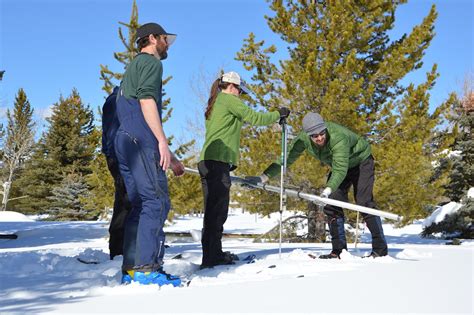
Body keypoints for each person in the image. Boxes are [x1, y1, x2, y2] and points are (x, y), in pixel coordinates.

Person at [250, 112, 388, 259]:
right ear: (307, 135)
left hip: (361, 162)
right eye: (315, 136)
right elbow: (286, 159)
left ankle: (380, 250)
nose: (320, 138)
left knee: (363, 201)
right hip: (340, 167)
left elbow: (340, 169)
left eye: (322, 133)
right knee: (331, 204)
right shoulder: (302, 140)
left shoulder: (337, 136)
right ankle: (339, 251)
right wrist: (263, 177)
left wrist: (327, 190)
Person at [114, 22, 184, 286]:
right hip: (140, 137)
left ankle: (131, 269)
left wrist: (171, 156)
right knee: (155, 202)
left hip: (125, 138)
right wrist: (162, 142)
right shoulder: (152, 63)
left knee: (140, 204)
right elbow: (146, 102)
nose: (168, 44)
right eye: (166, 38)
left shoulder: (132, 66)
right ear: (153, 38)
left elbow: (134, 113)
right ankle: (147, 269)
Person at [198, 71, 290, 269]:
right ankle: (212, 258)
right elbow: (255, 117)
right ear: (232, 87)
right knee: (217, 212)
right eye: (240, 90)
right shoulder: (228, 99)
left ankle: (213, 254)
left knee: (212, 211)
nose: (240, 94)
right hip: (217, 161)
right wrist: (278, 115)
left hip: (209, 161)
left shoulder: (215, 103)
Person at [101, 86, 131, 261]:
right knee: (124, 200)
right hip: (118, 156)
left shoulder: (119, 100)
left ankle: (128, 244)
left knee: (129, 199)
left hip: (119, 155)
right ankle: (118, 248)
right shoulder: (117, 101)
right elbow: (113, 133)